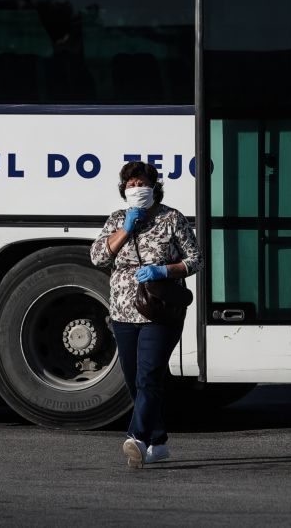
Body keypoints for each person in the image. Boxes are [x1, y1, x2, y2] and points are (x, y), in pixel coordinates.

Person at [90, 161, 201, 469]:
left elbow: (196, 259)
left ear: (154, 187)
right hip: (124, 309)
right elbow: (98, 257)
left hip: (160, 309)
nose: (136, 189)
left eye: (142, 184)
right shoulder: (117, 219)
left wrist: (163, 269)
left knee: (148, 373)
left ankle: (137, 437)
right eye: (130, 185)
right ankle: (159, 440)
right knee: (131, 377)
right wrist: (126, 229)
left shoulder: (171, 218)